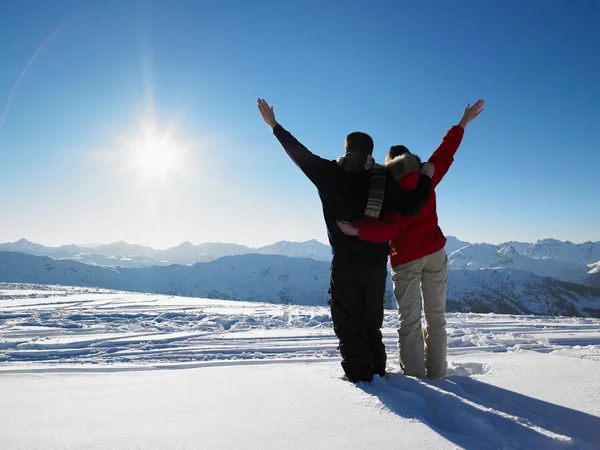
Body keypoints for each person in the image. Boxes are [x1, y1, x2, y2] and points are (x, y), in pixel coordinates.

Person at [257, 98, 434, 383]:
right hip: (376, 263)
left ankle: (360, 376)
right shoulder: (383, 179)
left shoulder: (328, 174)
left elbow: (298, 154)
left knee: (348, 323)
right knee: (371, 323)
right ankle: (377, 371)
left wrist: (274, 126)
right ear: (370, 154)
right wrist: (425, 177)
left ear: (346, 149)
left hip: (346, 262)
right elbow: (413, 207)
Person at [337, 100, 484, 379]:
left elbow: (389, 229)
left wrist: (357, 231)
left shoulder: (388, 191)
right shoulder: (427, 176)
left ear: (389, 164)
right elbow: (446, 152)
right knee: (437, 318)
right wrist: (462, 123)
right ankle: (438, 373)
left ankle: (416, 378)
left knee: (410, 321)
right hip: (435, 254)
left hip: (406, 259)